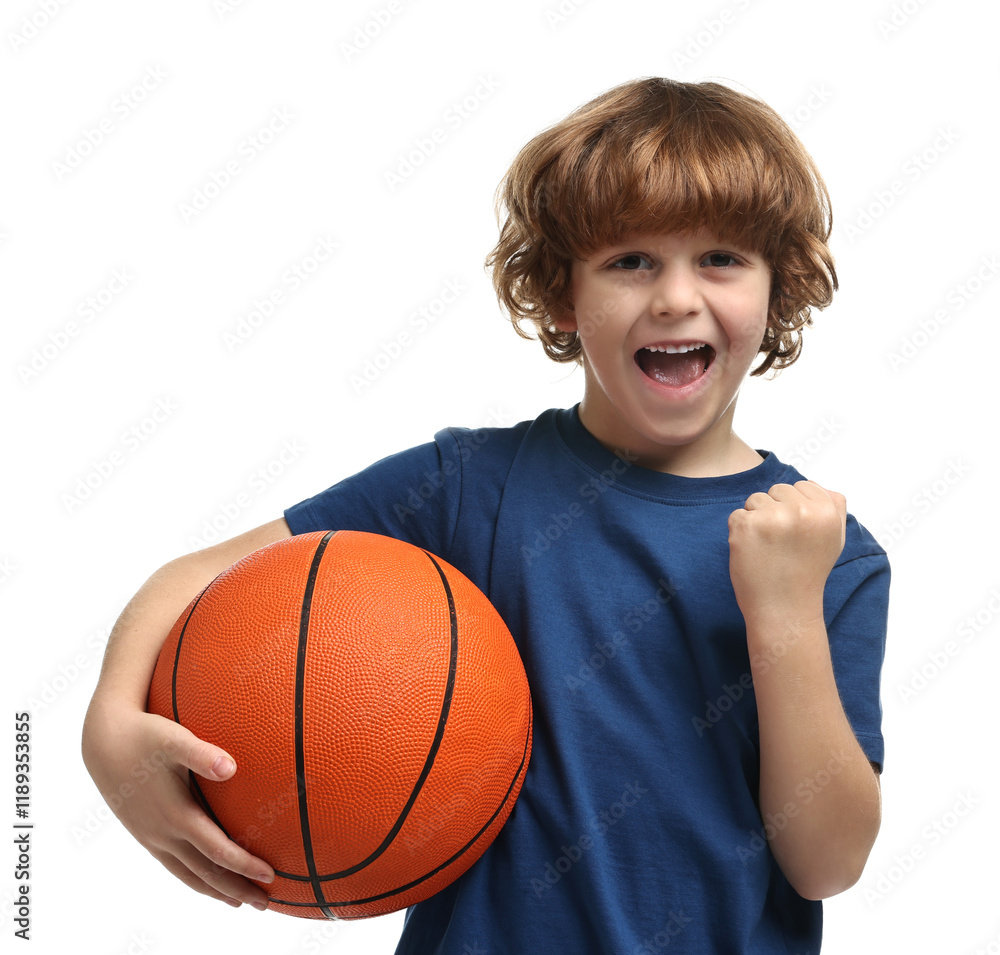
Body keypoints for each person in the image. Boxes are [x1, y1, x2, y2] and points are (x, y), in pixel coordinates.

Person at [82, 76, 890, 953]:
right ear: (562, 293)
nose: (674, 297)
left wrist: (784, 611)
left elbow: (827, 862)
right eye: (630, 260)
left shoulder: (827, 553)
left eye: (722, 258)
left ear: (779, 288)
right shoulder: (470, 485)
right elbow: (198, 579)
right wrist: (110, 724)